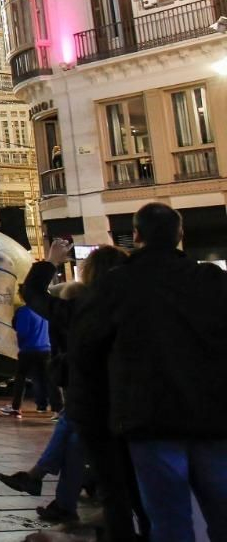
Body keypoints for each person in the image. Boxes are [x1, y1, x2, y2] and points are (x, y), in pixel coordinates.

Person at [76, 202, 226, 542]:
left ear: (137, 235)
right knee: (221, 510)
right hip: (212, 418)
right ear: (180, 236)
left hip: (149, 417)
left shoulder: (117, 286)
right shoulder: (212, 281)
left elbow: (86, 349)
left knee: (169, 518)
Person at [0, 239, 128, 529]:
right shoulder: (135, 307)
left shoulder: (83, 308)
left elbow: (32, 294)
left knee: (102, 467)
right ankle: (61, 501)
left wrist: (50, 261)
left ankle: (40, 478)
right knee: (74, 442)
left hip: (98, 398)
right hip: (120, 397)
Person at [2, 302, 53, 417]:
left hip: (28, 350)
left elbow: (22, 331)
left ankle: (16, 407)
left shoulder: (25, 311)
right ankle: (47, 407)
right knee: (43, 378)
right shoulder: (46, 310)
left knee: (21, 377)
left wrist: (21, 343)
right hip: (46, 348)